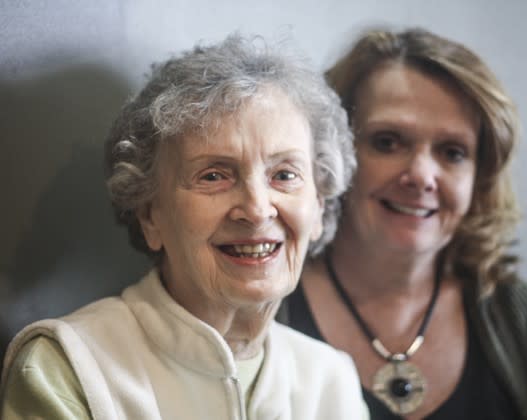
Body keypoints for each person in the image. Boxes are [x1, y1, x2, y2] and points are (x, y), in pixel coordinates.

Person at [0, 34, 368, 419]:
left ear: (319, 209)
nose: (257, 210)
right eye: (213, 176)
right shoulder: (66, 368)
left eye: (285, 174)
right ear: (149, 215)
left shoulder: (331, 380)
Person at [283, 28, 527, 420]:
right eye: (388, 141)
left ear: (480, 177)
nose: (421, 175)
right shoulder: (265, 303)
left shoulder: (511, 313)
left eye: (452, 152)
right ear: (330, 154)